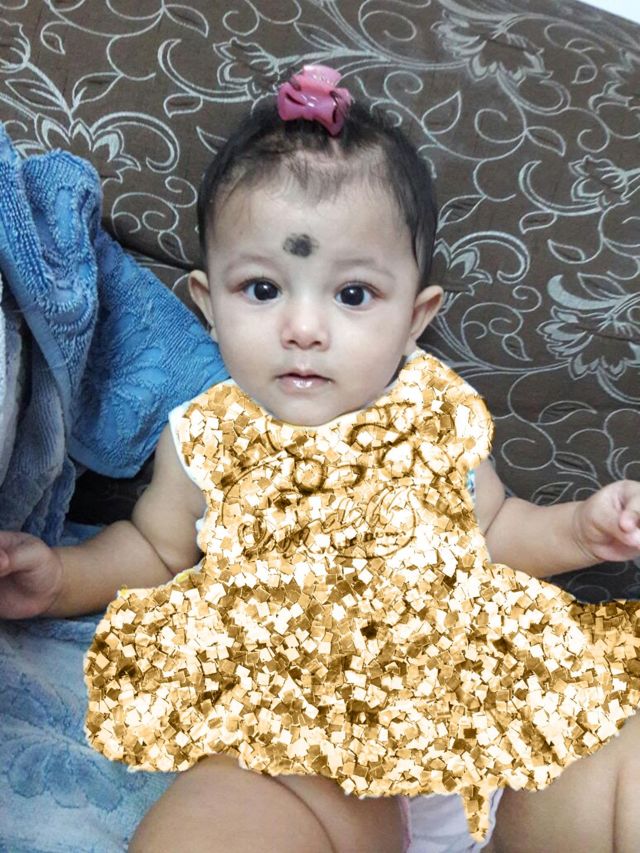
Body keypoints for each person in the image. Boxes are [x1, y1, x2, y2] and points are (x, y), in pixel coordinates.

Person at [1, 65, 640, 853]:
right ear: (207, 303)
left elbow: (497, 530)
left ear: (415, 317)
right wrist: (62, 577)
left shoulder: (431, 413)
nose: (303, 328)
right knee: (211, 828)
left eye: (353, 295)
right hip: (301, 753)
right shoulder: (208, 436)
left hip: (494, 726)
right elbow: (155, 550)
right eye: (262, 289)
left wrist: (582, 529)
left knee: (622, 768)